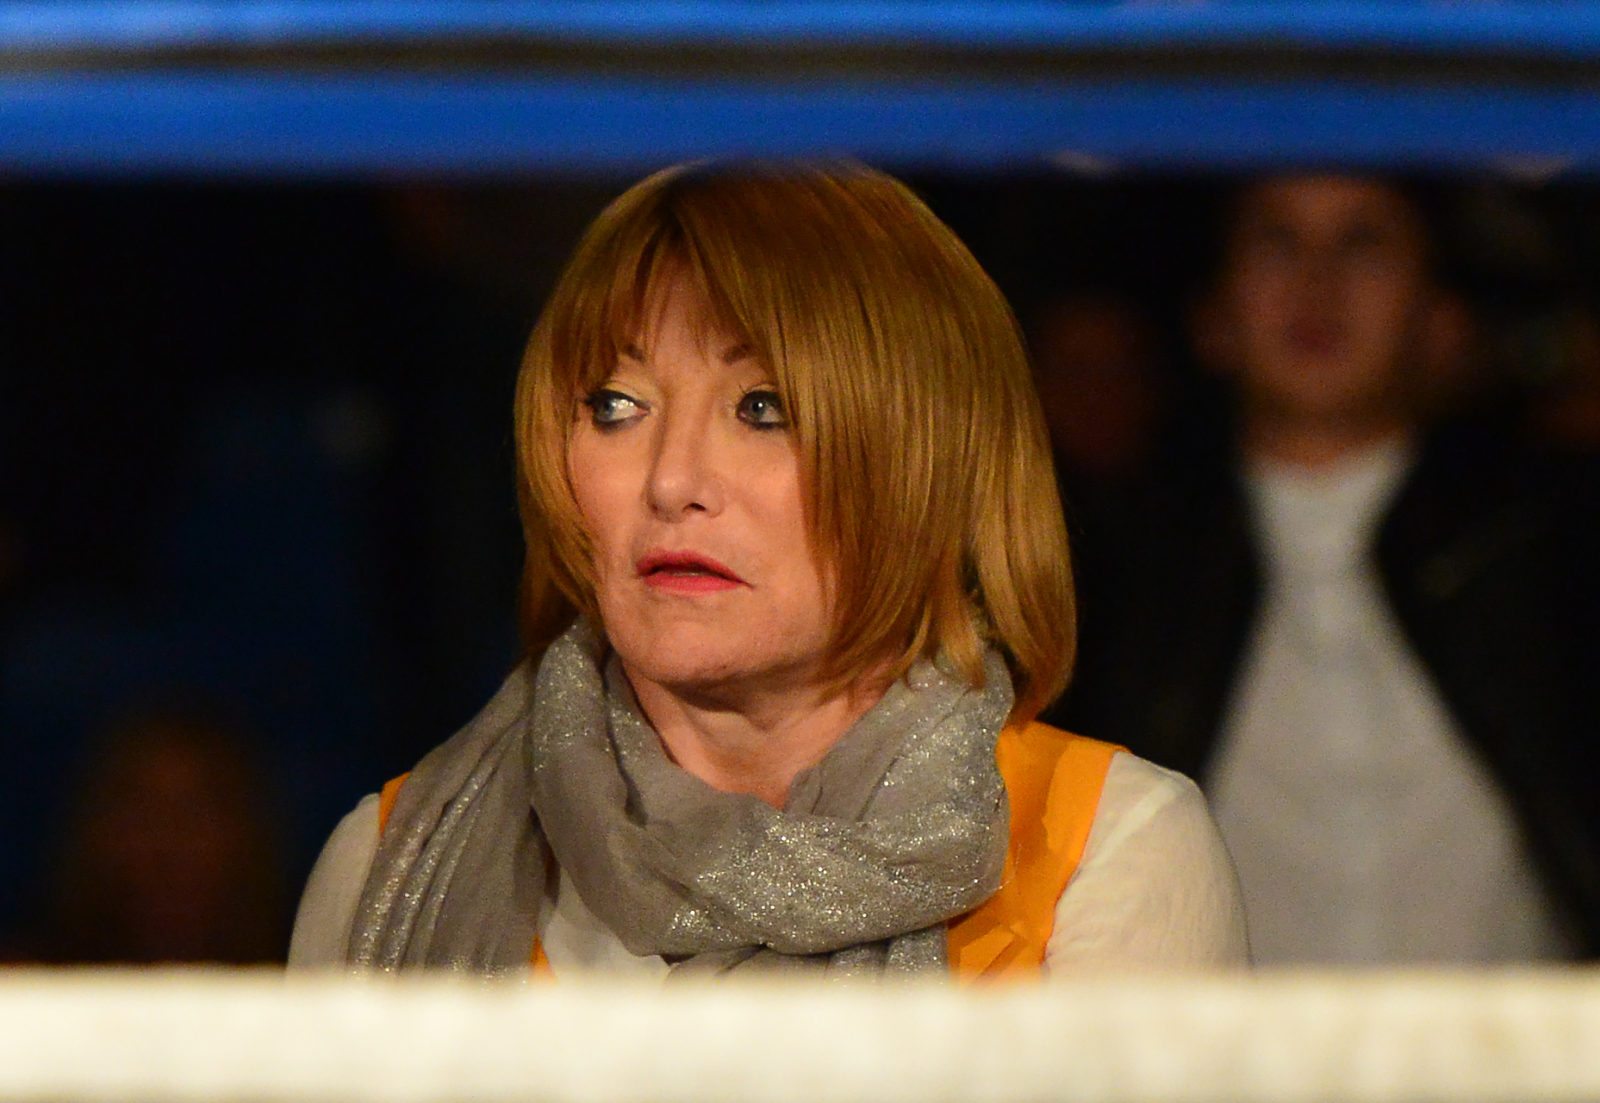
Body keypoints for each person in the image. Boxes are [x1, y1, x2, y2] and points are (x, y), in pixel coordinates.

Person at [288, 162, 1245, 976]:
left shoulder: (1104, 850)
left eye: (762, 408)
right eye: (617, 405)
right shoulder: (386, 863)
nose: (672, 481)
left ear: (926, 458)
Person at [1051, 173, 1600, 965]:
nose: (1316, 284)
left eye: (1364, 242)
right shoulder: (1114, 577)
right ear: (1213, 315)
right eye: (1277, 241)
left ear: (1442, 320)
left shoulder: (1548, 556)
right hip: (1210, 1043)